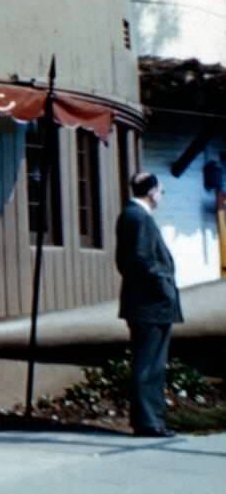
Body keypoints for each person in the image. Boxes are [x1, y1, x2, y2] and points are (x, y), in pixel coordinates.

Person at [115, 171, 184, 438]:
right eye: (161, 192)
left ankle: (152, 420)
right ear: (152, 191)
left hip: (145, 303)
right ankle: (149, 422)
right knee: (149, 365)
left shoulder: (131, 216)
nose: (161, 197)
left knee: (151, 363)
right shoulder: (139, 217)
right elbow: (142, 260)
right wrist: (164, 288)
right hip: (150, 304)